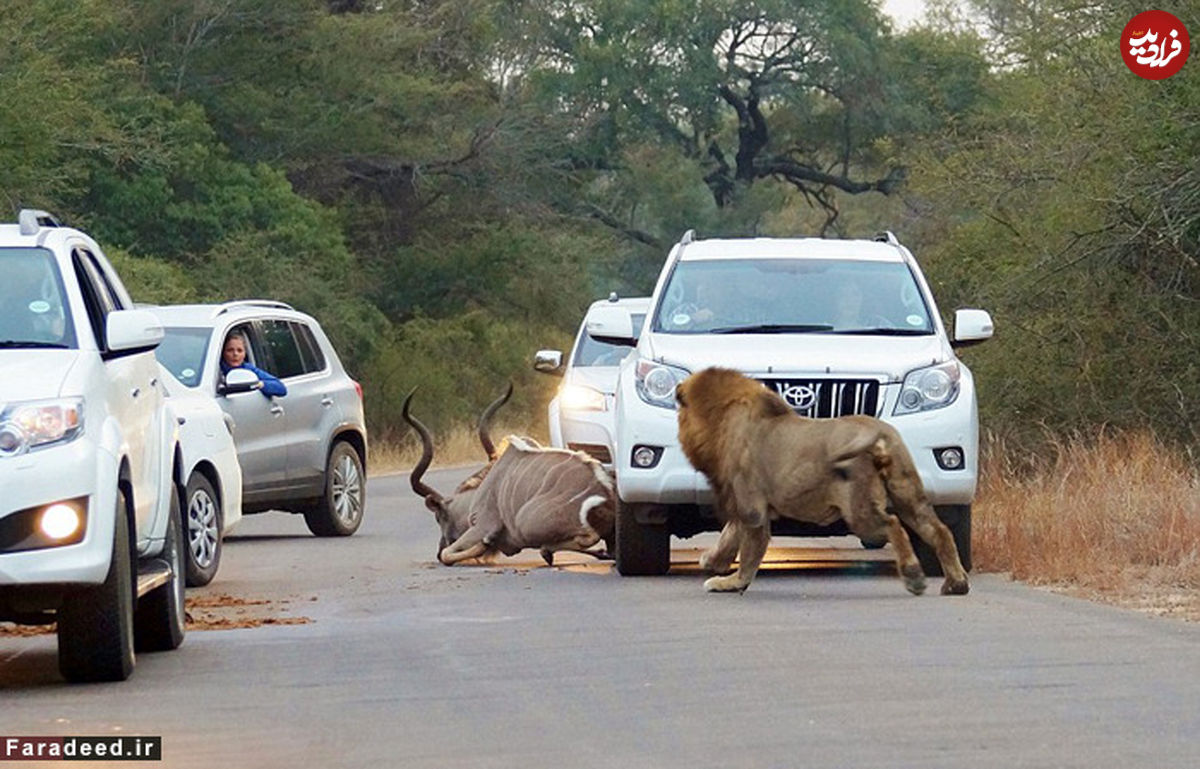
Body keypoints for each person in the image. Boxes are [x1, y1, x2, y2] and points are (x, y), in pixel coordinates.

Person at [220, 331, 287, 397]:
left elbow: (281, 388)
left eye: (239, 350)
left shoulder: (249, 369)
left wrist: (260, 384)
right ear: (223, 352)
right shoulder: (216, 371)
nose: (235, 354)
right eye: (230, 350)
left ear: (245, 353)